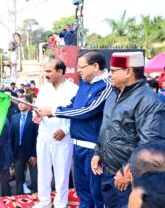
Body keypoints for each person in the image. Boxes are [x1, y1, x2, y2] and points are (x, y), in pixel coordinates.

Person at [38, 51, 112, 208]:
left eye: (82, 67)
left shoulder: (106, 85)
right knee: (82, 190)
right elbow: (73, 104)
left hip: (93, 149)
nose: (78, 70)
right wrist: (54, 111)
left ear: (95, 66)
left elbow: (87, 110)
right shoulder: (85, 83)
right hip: (77, 144)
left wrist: (54, 111)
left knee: (96, 192)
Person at [91, 52, 165, 207]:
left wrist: (126, 169)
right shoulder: (113, 93)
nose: (109, 74)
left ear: (129, 72)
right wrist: (98, 152)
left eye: (113, 70)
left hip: (128, 178)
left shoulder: (149, 101)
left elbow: (149, 144)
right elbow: (107, 126)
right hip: (108, 171)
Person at [33, 59, 78, 208]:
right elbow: (38, 108)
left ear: (60, 72)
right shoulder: (44, 89)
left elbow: (77, 114)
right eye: (45, 71)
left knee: (62, 174)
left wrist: (65, 130)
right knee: (43, 171)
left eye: (49, 71)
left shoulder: (74, 89)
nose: (46, 75)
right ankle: (44, 201)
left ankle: (60, 203)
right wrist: (37, 115)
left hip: (63, 138)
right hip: (44, 135)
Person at [11, 95, 38, 195]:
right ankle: (19, 195)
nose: (20, 105)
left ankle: (38, 195)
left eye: (22, 103)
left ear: (28, 104)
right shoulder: (14, 118)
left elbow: (37, 136)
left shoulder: (34, 116)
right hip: (18, 152)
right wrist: (12, 152)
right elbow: (12, 137)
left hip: (31, 152)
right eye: (18, 103)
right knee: (19, 176)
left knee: (35, 176)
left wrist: (34, 154)